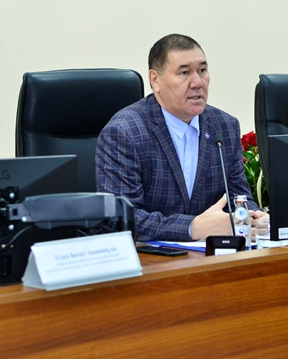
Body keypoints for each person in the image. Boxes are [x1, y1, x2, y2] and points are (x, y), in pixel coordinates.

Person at [96, 33, 267, 241]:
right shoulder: (125, 132)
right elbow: (120, 219)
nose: (197, 82)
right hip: (149, 257)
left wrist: (255, 217)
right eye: (184, 73)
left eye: (202, 70)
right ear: (155, 80)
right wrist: (191, 228)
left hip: (211, 254)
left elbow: (238, 198)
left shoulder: (224, 126)